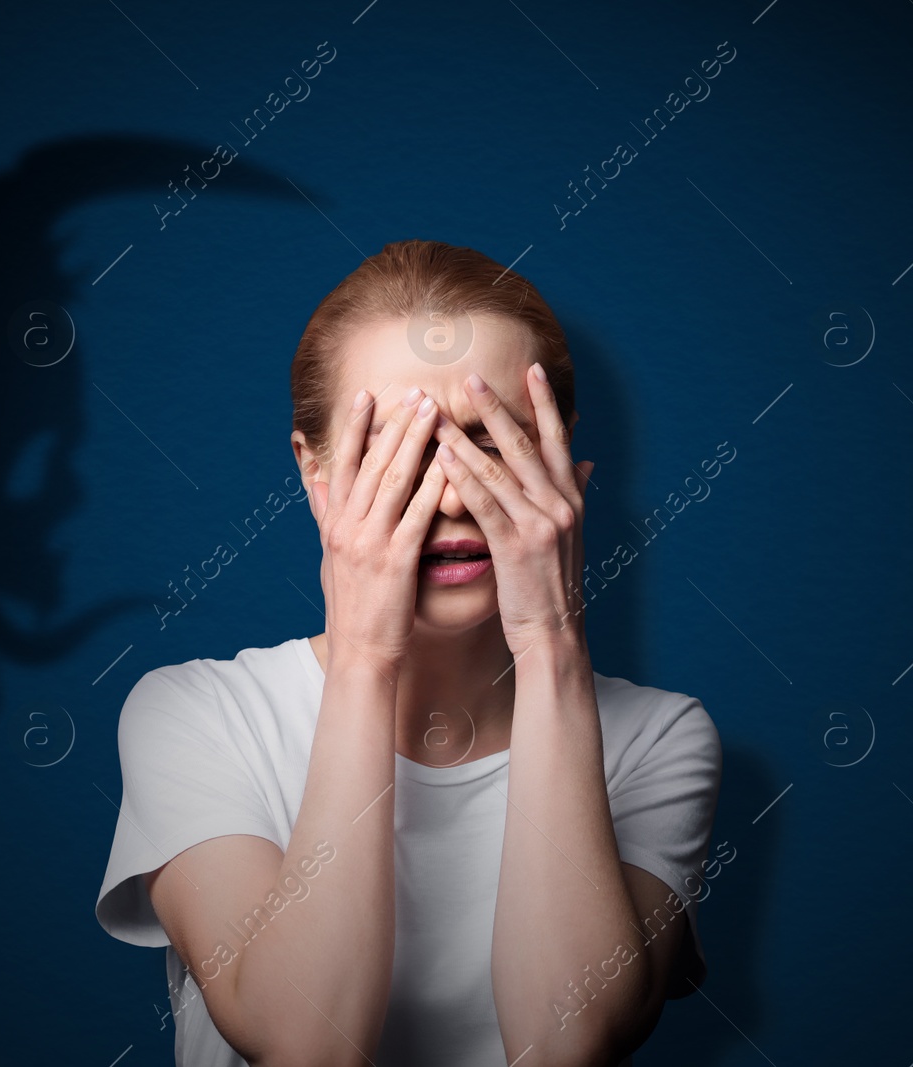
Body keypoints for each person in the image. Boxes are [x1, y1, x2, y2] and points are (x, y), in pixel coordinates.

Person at [95, 239, 723, 1067]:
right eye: (395, 450)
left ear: (567, 466)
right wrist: (362, 654)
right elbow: (305, 1045)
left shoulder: (660, 738)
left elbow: (568, 1045)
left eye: (490, 442)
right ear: (313, 475)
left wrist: (550, 639)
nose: (452, 496)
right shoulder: (197, 715)